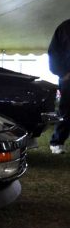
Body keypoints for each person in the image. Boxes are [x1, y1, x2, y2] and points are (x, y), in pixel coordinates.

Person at [48, 18, 70, 154]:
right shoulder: (65, 27)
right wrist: (63, 73)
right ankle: (57, 142)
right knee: (67, 111)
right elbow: (54, 52)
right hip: (69, 77)